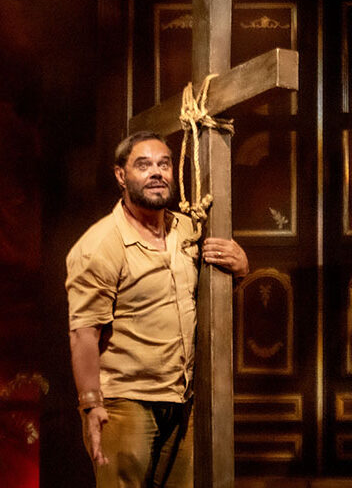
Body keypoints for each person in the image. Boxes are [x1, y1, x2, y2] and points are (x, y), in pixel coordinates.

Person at [66, 131, 248, 487]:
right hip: (126, 403)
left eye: (164, 164)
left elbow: (207, 297)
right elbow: (84, 333)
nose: (156, 173)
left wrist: (240, 267)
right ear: (121, 175)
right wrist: (91, 404)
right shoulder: (100, 245)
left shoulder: (188, 231)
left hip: (182, 400)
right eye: (143, 165)